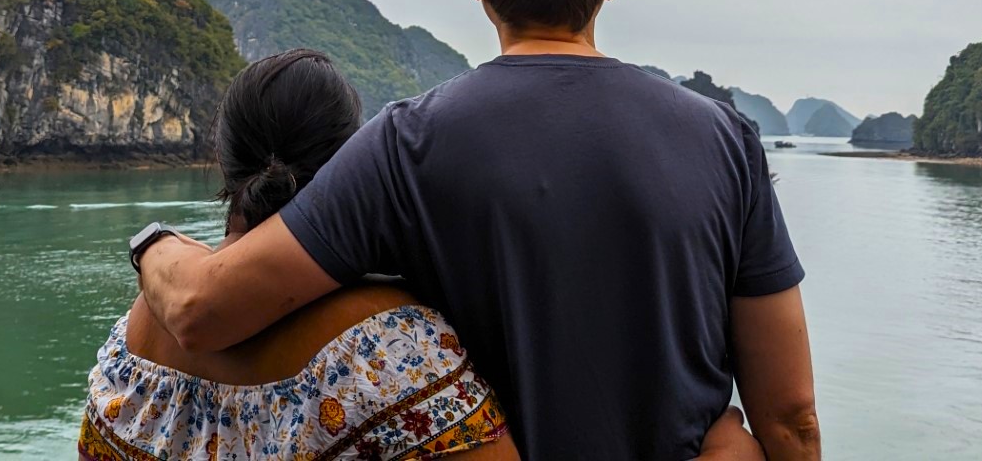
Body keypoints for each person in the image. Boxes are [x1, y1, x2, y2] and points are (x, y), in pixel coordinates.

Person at [133, 0, 820, 459]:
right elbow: (790, 419)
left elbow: (204, 312)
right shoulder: (728, 142)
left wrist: (152, 242)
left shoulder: (406, 146)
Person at [85, 48, 766, 460]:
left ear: (222, 161)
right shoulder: (393, 351)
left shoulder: (133, 342)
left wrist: (154, 240)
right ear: (351, 162)